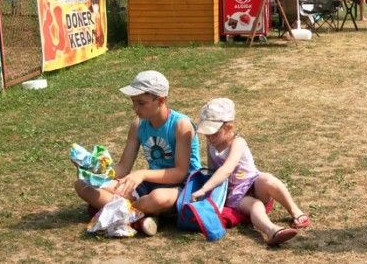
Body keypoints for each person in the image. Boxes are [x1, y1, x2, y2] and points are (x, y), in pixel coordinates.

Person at [74, 70, 201, 236]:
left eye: (141, 103)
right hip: (150, 184)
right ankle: (142, 216)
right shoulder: (138, 125)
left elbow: (180, 173)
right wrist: (95, 171)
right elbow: (123, 167)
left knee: (158, 198)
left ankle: (127, 213)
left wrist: (142, 174)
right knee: (82, 185)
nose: (135, 108)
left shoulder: (181, 125)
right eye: (133, 102)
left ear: (161, 100)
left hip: (183, 186)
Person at [192, 98, 310, 246]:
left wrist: (204, 189)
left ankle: (295, 211)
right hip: (235, 194)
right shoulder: (211, 145)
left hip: (253, 182)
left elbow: (227, 169)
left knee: (268, 179)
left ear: (228, 127)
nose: (209, 137)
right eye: (207, 133)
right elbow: (213, 170)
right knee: (255, 205)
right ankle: (272, 230)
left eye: (213, 133)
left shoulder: (238, 143)